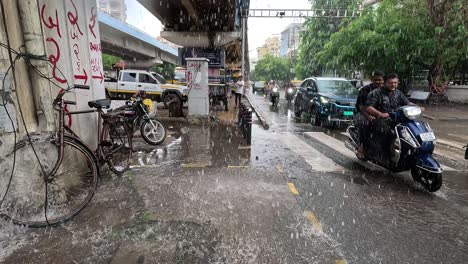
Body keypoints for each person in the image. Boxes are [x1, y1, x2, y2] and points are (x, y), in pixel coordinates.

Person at [366, 73, 417, 154]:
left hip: (396, 117)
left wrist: (417, 107)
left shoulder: (398, 93)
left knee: (411, 128)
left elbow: (407, 103)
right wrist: (380, 114)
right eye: (390, 83)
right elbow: (369, 107)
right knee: (390, 132)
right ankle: (385, 152)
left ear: (398, 83)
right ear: (385, 83)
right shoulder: (376, 93)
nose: (393, 85)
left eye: (395, 83)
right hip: (380, 119)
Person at [354, 70, 385, 158]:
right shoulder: (365, 90)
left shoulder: (386, 91)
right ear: (372, 80)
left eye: (380, 80)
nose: (378, 82)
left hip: (380, 114)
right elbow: (361, 106)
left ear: (383, 81)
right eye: (376, 80)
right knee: (365, 124)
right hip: (363, 113)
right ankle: (362, 147)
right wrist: (368, 116)